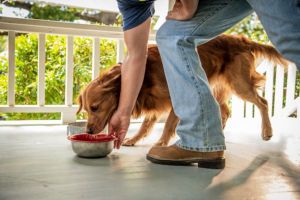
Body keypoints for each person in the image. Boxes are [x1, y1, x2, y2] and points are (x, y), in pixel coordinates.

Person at [109, 0, 300, 169]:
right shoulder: (129, 2)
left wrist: (189, 6)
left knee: (291, 38)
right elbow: (135, 55)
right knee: (172, 36)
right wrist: (124, 112)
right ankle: (201, 141)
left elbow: (188, 8)